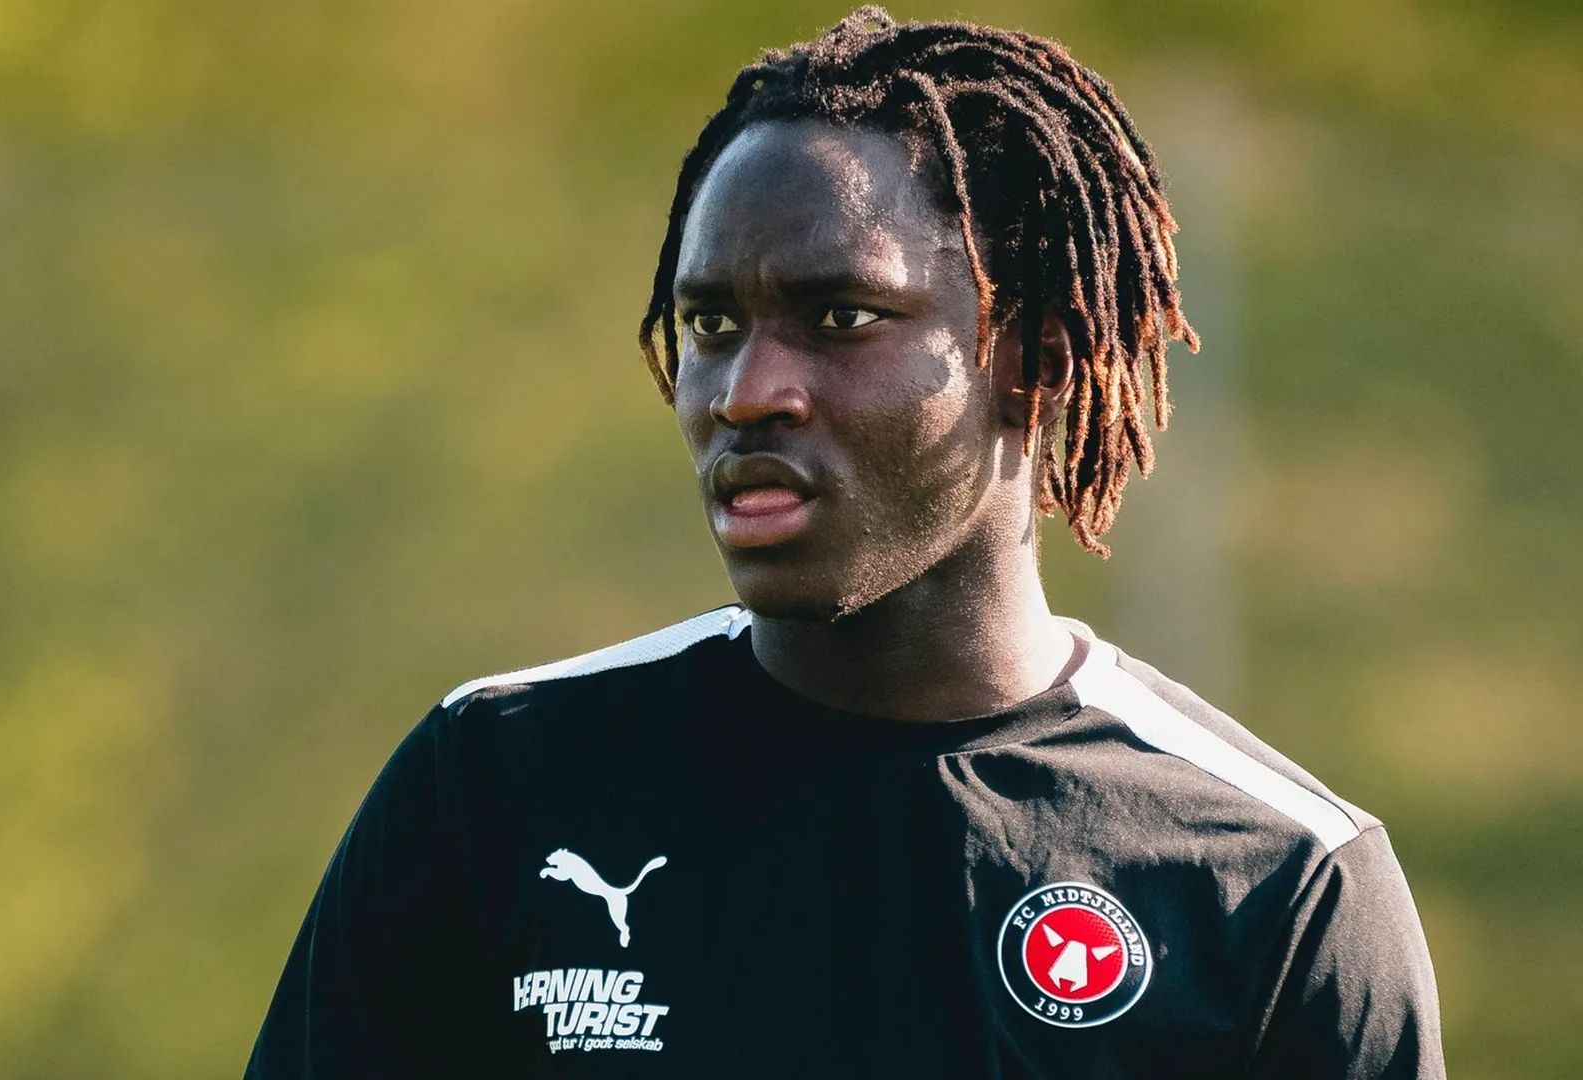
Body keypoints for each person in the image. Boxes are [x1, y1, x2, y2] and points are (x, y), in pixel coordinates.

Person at [245, 8, 1444, 1077]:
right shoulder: (493, 785)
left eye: (840, 316)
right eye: (710, 323)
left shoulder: (1274, 882)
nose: (744, 390)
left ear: (1032, 358)